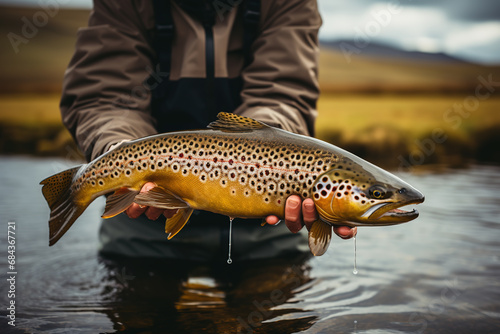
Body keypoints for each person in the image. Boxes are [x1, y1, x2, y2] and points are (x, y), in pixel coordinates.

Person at [60, 0, 356, 262]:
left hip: (266, 226)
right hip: (142, 226)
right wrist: (120, 154)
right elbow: (107, 97)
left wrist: (275, 164)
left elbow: (283, 94)